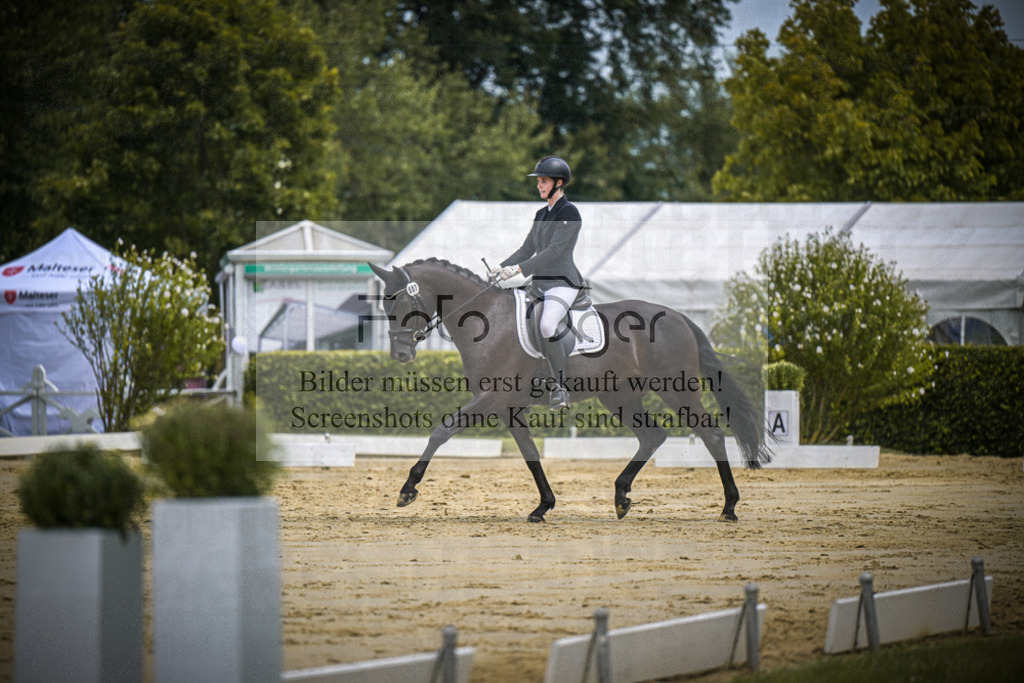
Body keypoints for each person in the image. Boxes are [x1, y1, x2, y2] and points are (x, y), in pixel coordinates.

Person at [494, 156, 584, 410]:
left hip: (563, 283)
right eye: (539, 182)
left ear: (558, 183)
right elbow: (527, 248)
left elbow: (554, 251)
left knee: (546, 325)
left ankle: (560, 388)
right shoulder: (541, 214)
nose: (539, 185)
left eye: (543, 181)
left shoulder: (569, 213)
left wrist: (519, 269)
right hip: (540, 284)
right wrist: (500, 268)